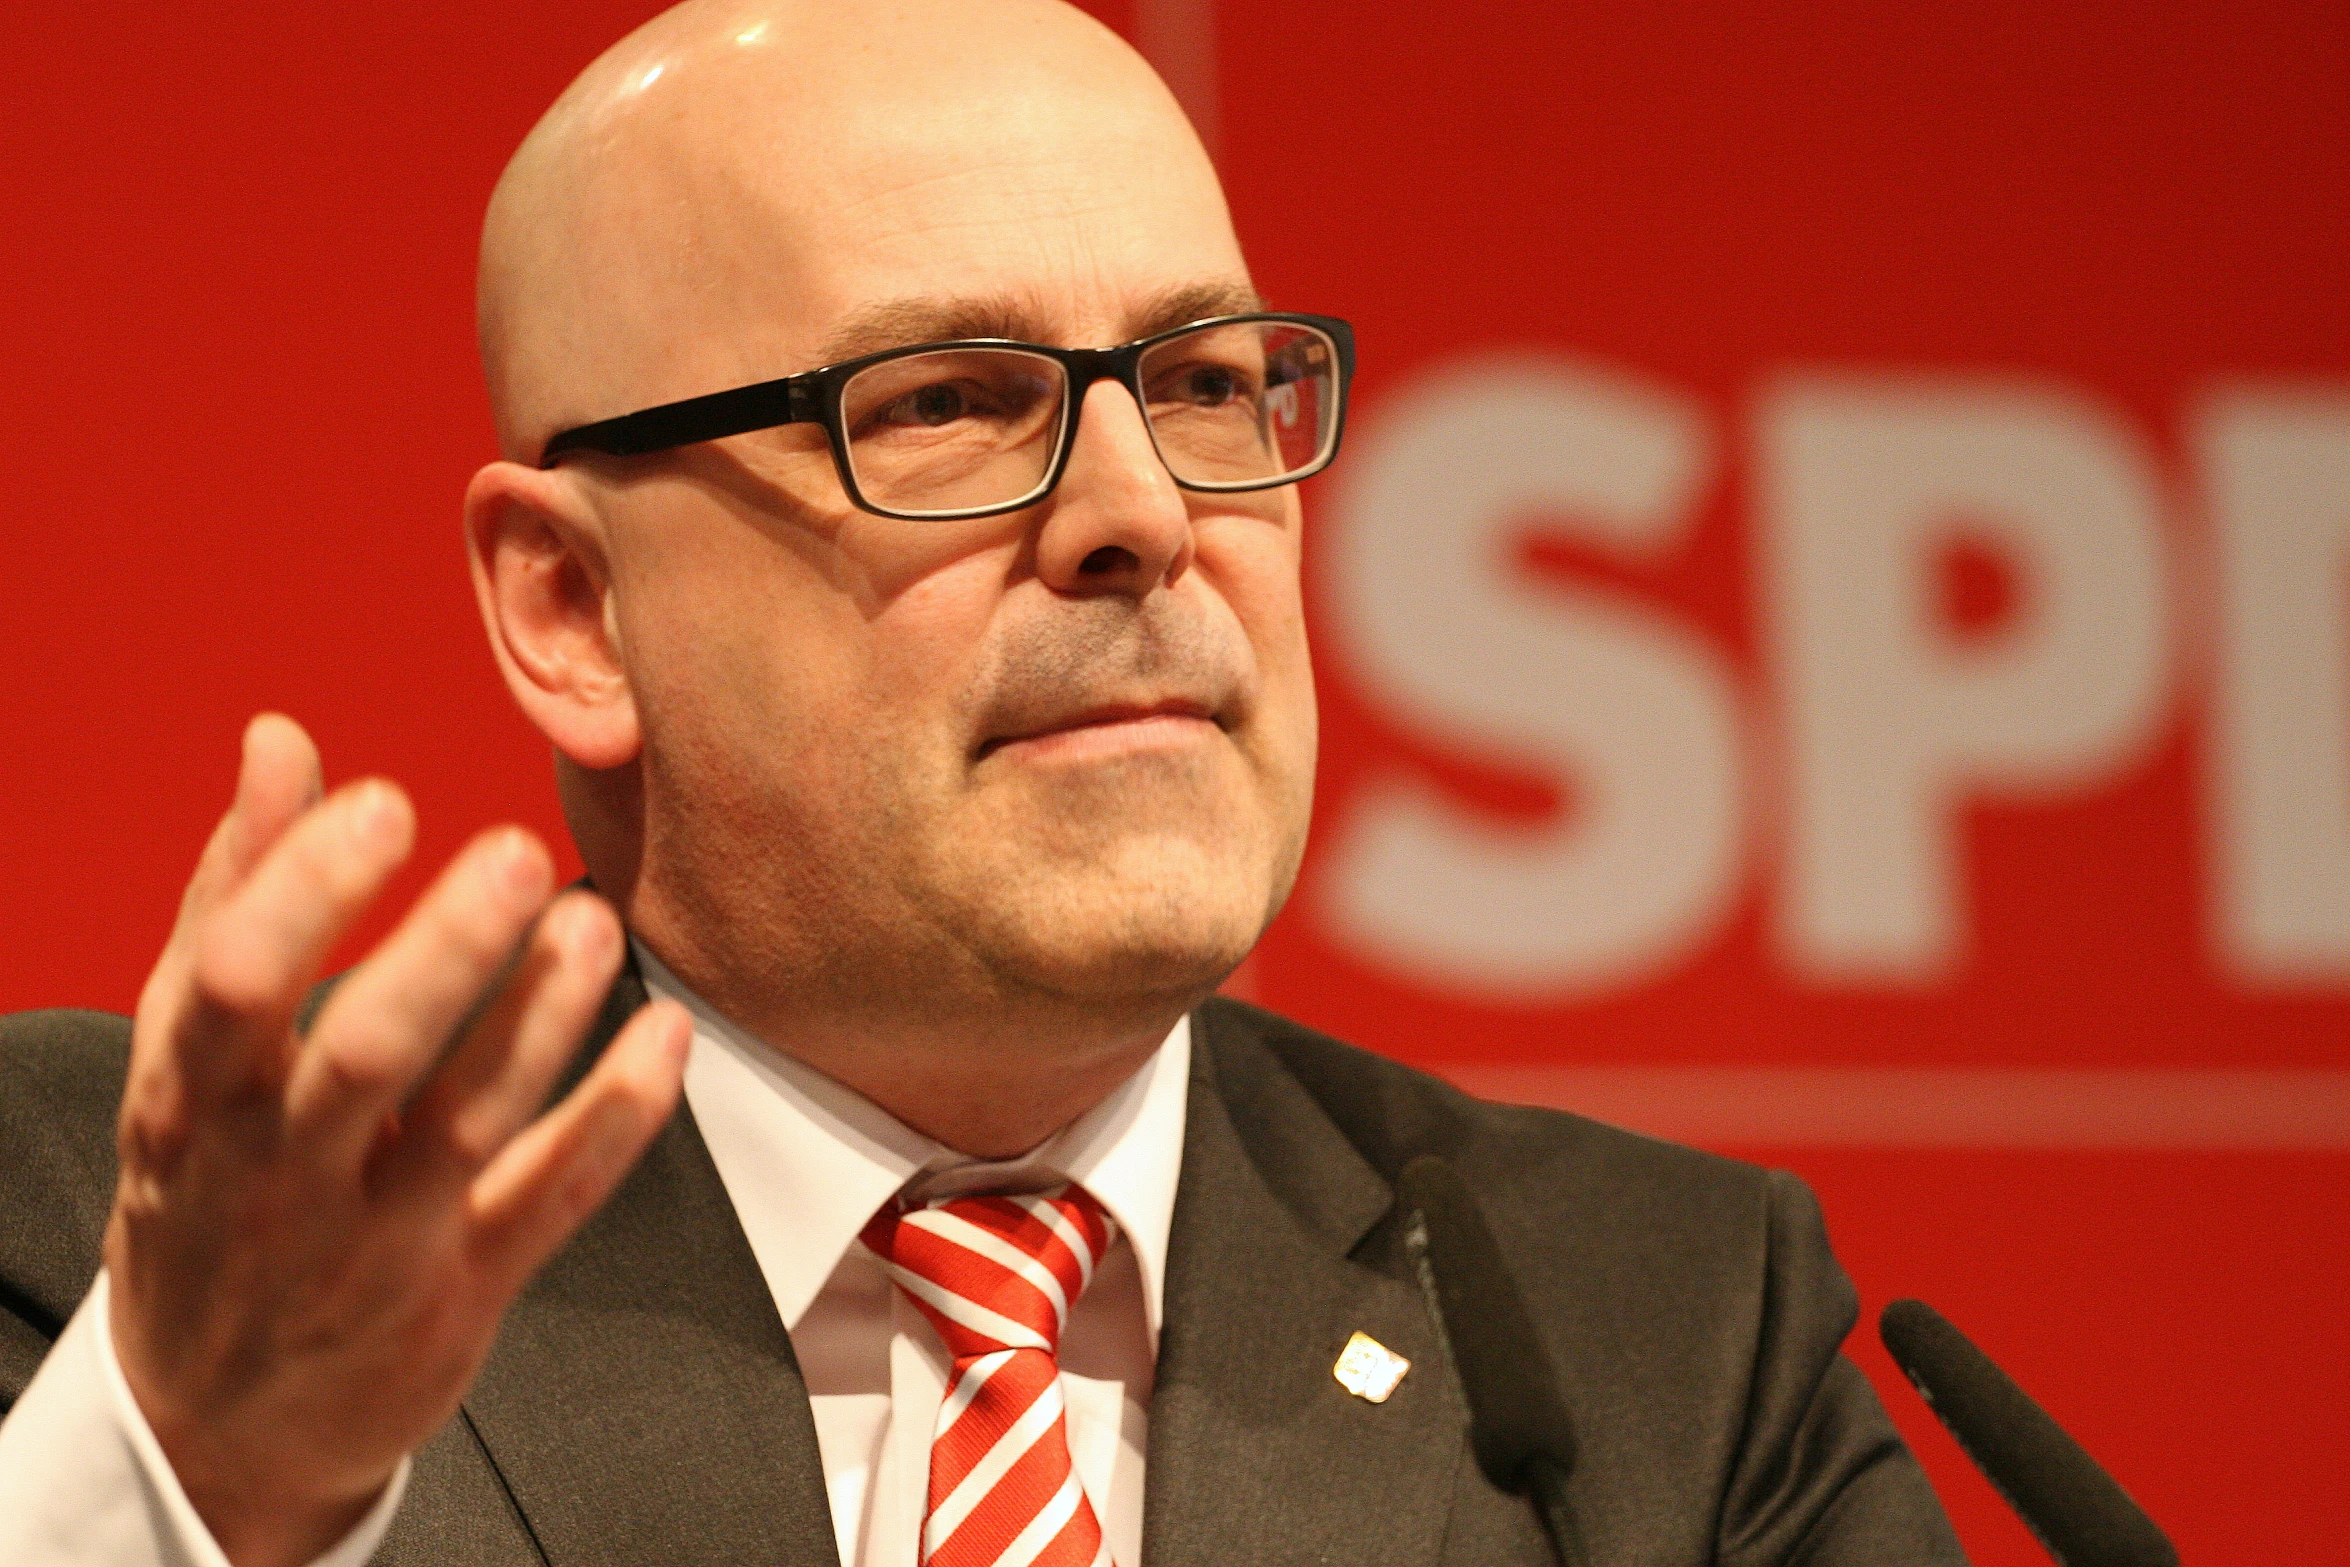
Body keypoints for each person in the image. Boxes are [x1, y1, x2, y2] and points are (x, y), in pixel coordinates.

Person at [0, 2, 1967, 1564]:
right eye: (943, 404)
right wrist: (195, 1498)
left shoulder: (1655, 1339)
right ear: (572, 608)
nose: (1140, 516)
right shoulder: (126, 1261)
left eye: (1203, 385)